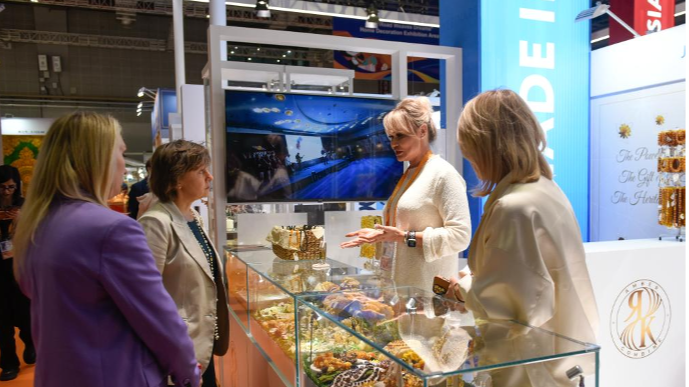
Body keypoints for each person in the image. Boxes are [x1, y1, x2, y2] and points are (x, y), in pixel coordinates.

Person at [12, 112, 201, 387]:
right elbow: (159, 320)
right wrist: (188, 373)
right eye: (121, 152)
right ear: (96, 157)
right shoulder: (112, 229)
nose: (124, 166)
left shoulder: (36, 223)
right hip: (115, 374)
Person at [452, 90, 599, 386]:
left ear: (486, 147)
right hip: (562, 352)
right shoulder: (546, 189)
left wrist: (461, 287)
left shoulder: (513, 207)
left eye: (469, 150)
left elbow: (508, 305)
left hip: (529, 363)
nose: (469, 160)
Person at [341, 97, 472, 293]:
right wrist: (381, 236)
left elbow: (460, 237)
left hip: (426, 294)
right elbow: (403, 230)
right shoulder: (411, 172)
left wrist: (404, 237)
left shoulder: (443, 174)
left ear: (422, 131)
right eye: (391, 137)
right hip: (400, 291)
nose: (393, 143)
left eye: (400, 136)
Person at [139, 140, 230, 387]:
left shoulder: (192, 216)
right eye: (201, 171)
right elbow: (147, 300)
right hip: (178, 349)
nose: (209, 176)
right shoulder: (156, 223)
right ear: (177, 179)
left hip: (201, 344)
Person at [0, 165, 34, 381]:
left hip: (19, 267)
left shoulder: (25, 205)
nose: (6, 192)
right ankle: (9, 363)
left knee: (26, 314)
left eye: (10, 187)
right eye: (1, 187)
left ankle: (30, 342)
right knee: (2, 321)